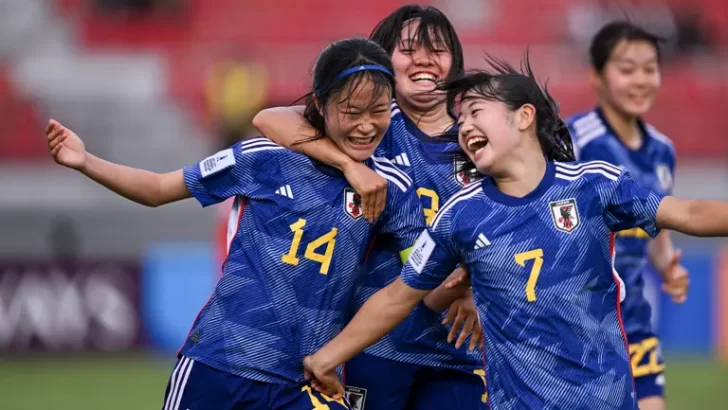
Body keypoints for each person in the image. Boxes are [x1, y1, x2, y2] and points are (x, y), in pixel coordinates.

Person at [301, 56, 728, 410]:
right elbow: (398, 296)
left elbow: (687, 211)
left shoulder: (592, 185)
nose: (463, 126)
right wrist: (327, 357)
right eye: (460, 117)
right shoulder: (461, 215)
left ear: (524, 117)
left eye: (475, 112)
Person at [45, 38, 428, 410]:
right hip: (218, 366)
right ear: (320, 105)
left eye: (378, 110)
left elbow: (416, 282)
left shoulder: (393, 189)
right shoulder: (265, 158)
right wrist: (85, 161)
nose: (366, 125)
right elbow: (159, 188)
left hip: (302, 380)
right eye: (351, 111)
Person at [253, 5, 486, 410]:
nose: (425, 60)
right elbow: (270, 119)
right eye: (409, 49)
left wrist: (469, 282)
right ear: (385, 60)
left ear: (456, 64)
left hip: (457, 349)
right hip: (373, 345)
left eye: (438, 49)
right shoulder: (371, 124)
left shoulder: (478, 135)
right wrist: (349, 165)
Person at [566, 22, 689, 410]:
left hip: (633, 314)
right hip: (578, 319)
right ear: (596, 76)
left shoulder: (662, 150)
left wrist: (668, 264)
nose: (640, 80)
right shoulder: (573, 140)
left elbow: (653, 224)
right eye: (626, 68)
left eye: (649, 68)